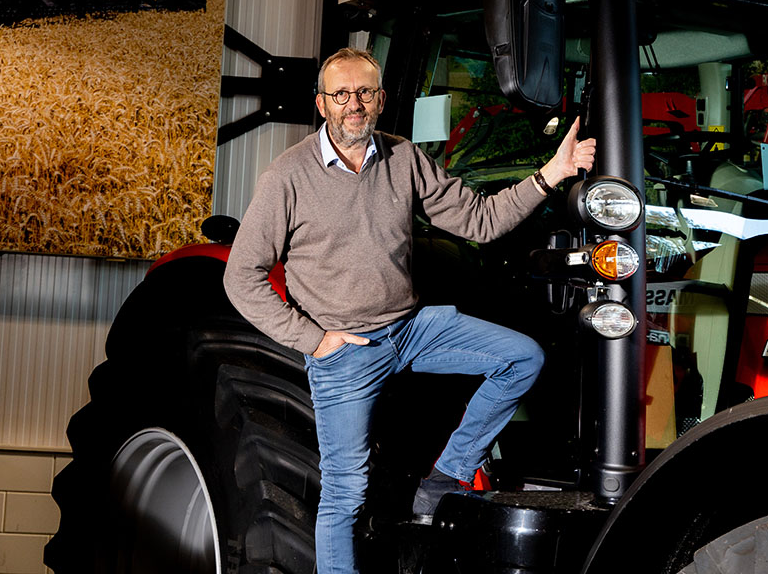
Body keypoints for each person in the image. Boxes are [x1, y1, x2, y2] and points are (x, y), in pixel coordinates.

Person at [223, 47, 596, 574]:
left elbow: (480, 221)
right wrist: (313, 340)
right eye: (341, 94)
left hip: (413, 328)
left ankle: (447, 475)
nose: (355, 104)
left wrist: (551, 173)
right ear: (322, 103)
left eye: (366, 93)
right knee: (344, 496)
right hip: (346, 350)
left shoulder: (403, 157)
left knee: (523, 358)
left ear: (381, 99)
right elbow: (240, 276)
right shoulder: (288, 176)